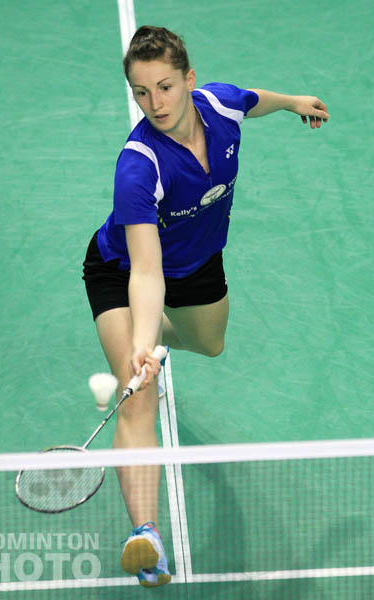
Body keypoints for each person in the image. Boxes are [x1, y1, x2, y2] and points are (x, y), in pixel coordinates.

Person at [82, 25, 329, 588]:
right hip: (121, 271)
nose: (155, 103)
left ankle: (150, 340)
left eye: (165, 87)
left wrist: (293, 102)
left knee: (210, 343)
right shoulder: (139, 167)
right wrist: (141, 346)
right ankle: (146, 537)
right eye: (141, 92)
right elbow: (146, 271)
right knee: (136, 394)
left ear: (189, 81)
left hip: (198, 265)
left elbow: (252, 99)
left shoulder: (218, 105)